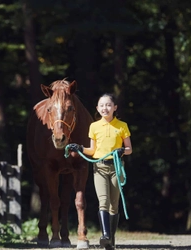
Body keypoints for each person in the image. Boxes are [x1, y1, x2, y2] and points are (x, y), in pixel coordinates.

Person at [68, 93, 132, 250]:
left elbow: (130, 149)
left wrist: (121, 151)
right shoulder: (94, 126)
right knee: (103, 201)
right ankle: (105, 235)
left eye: (109, 105)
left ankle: (111, 239)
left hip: (116, 167)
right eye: (102, 105)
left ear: (115, 107)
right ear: (97, 108)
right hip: (100, 167)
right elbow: (92, 150)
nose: (105, 108)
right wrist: (80, 148)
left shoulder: (122, 126)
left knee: (114, 205)